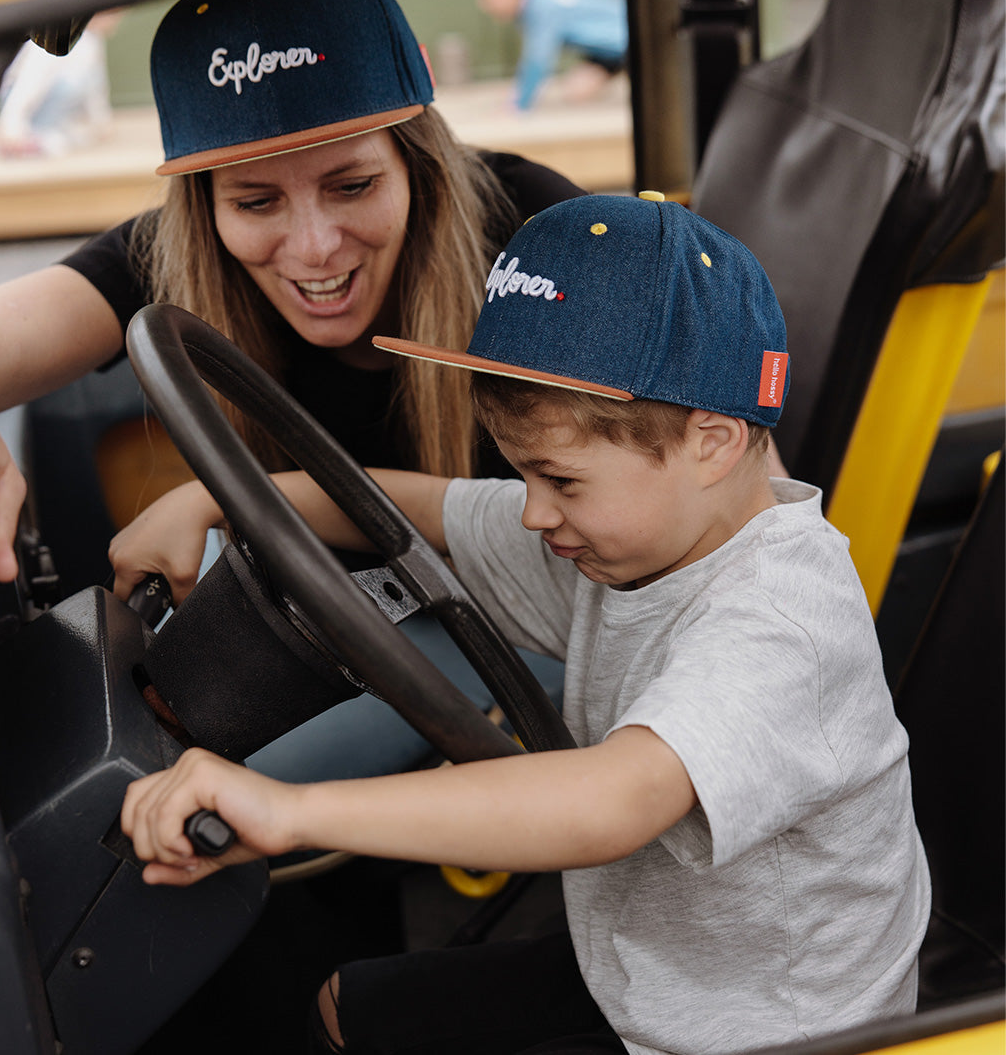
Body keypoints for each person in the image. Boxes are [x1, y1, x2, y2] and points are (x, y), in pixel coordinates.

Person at [121, 193, 930, 1055]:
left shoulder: (782, 620)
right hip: (651, 964)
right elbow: (407, 508)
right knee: (343, 1009)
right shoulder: (622, 539)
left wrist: (290, 810)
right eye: (522, 476)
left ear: (713, 442)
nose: (535, 514)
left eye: (562, 481)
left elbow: (613, 800)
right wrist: (205, 496)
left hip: (771, 1030)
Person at [0, 0, 582, 779]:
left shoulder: (539, 240)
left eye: (352, 184)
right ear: (204, 203)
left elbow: (594, 529)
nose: (312, 246)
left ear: (416, 160)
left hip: (532, 627)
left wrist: (232, 497)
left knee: (160, 794)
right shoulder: (175, 255)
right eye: (255, 202)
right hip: (330, 630)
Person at [473, 0, 628, 111]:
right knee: (577, 92)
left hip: (627, 45)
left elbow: (537, 61)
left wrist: (518, 105)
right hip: (607, 55)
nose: (485, 2)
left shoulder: (542, 5)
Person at [0, 9, 121, 158]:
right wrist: (11, 128)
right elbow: (29, 84)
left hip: (54, 123)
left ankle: (44, 138)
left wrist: (101, 122)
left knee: (73, 138)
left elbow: (96, 90)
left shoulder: (92, 41)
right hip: (27, 116)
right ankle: (28, 141)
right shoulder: (56, 39)